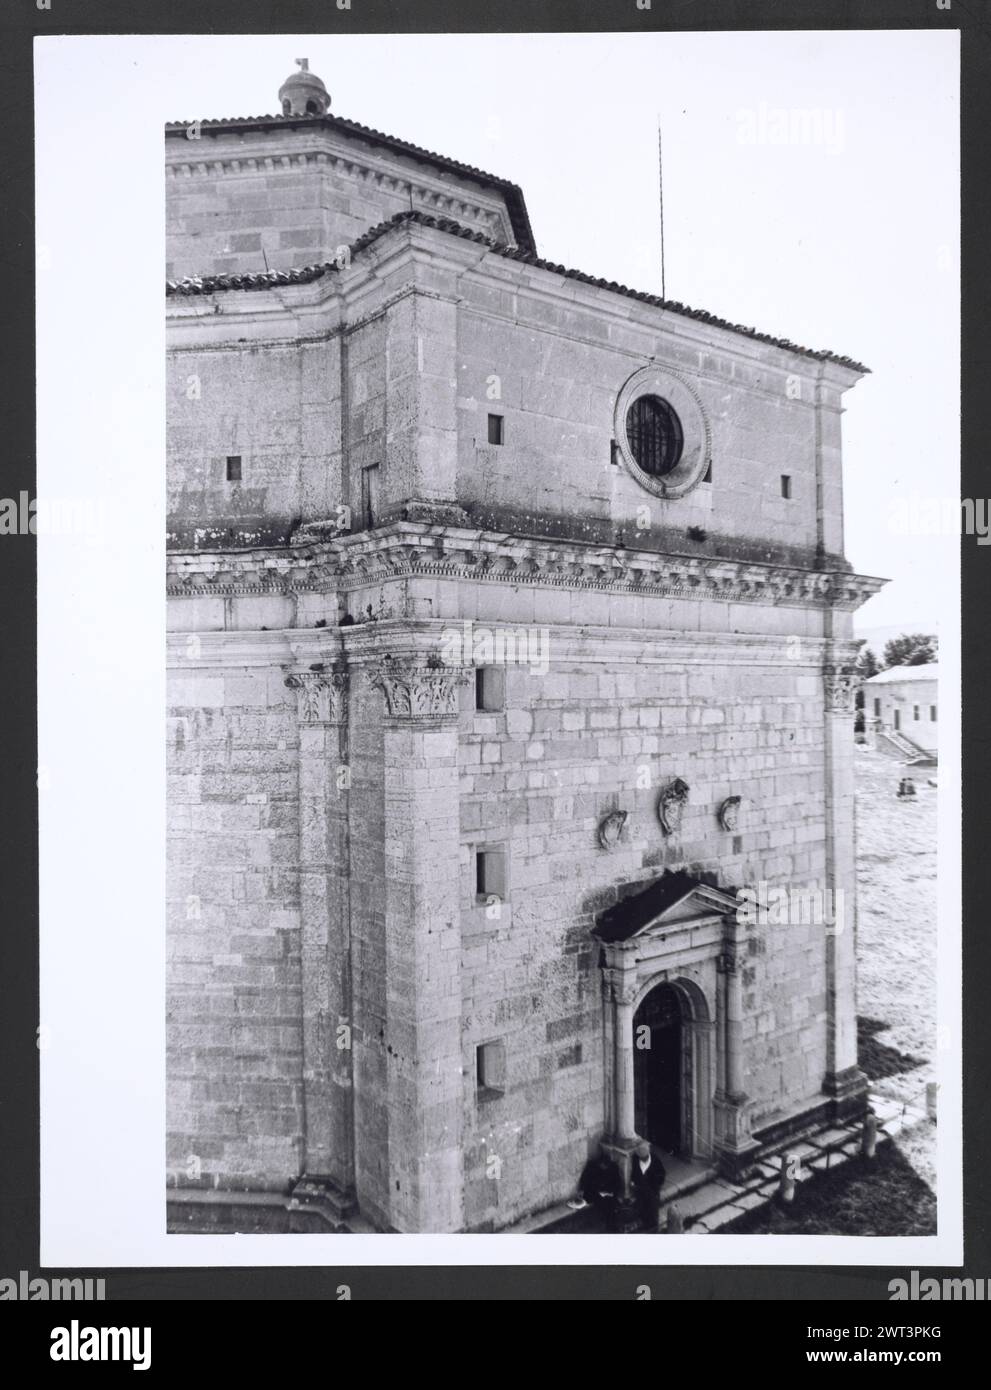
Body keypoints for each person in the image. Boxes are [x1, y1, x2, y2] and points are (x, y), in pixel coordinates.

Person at [568, 1149, 622, 1231]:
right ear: (599, 1164)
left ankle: (613, 1227)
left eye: (605, 1166)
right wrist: (584, 1191)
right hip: (595, 1193)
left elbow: (617, 1183)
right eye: (602, 1166)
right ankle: (611, 1227)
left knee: (612, 1206)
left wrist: (610, 1192)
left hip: (609, 1193)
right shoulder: (592, 1167)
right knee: (605, 1207)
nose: (604, 1168)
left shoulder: (613, 1168)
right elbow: (585, 1181)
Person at [630, 1141, 666, 1230]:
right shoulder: (635, 1159)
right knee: (642, 1208)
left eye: (645, 1157)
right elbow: (634, 1172)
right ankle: (645, 1224)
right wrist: (633, 1181)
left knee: (653, 1210)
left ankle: (654, 1228)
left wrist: (657, 1185)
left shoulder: (655, 1160)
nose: (643, 1160)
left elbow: (662, 1174)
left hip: (652, 1190)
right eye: (641, 1158)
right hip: (640, 1189)